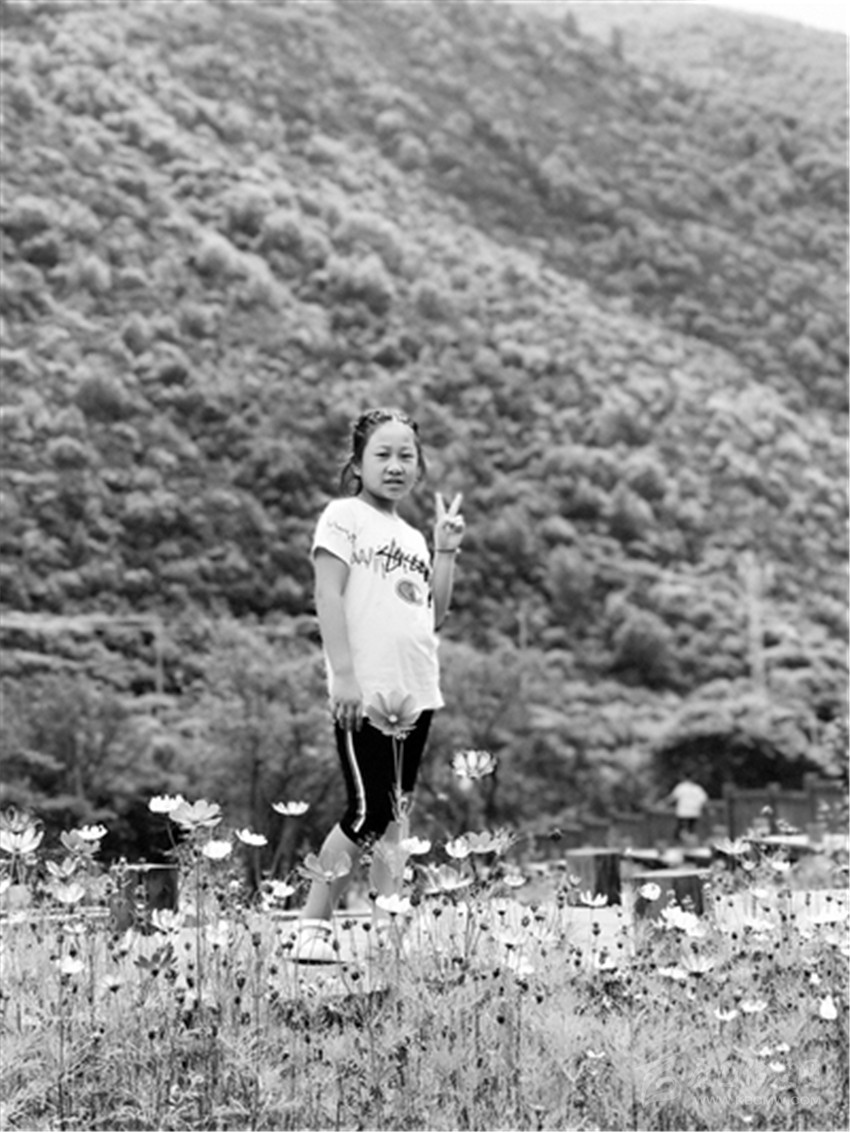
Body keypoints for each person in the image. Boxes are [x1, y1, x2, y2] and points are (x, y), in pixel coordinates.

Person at [292, 407, 465, 963]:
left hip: (416, 692)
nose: (395, 466)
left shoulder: (411, 537)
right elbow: (327, 595)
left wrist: (444, 549)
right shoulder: (343, 517)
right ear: (358, 463)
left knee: (396, 816)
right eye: (382, 455)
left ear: (419, 466)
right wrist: (343, 675)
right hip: (366, 692)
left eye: (406, 456)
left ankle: (390, 930)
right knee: (367, 815)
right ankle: (311, 927)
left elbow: (434, 615)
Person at [666, 776, 709, 843]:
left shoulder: (681, 787)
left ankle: (679, 841)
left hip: (683, 812)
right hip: (694, 812)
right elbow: (704, 800)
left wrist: (664, 803)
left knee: (680, 828)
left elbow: (672, 797)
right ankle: (690, 842)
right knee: (691, 829)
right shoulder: (697, 788)